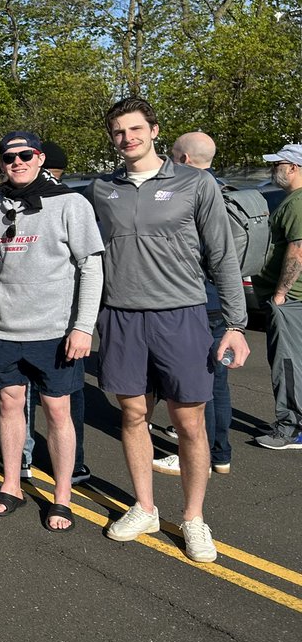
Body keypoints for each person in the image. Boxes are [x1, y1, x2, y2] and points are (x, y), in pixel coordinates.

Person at [88, 97, 249, 563]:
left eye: (136, 129)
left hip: (182, 315)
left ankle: (194, 517)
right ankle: (145, 507)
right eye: (119, 131)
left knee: (189, 422)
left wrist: (236, 324)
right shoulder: (101, 189)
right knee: (133, 414)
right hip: (120, 316)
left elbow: (222, 255)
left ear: (155, 130)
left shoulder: (194, 182)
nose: (127, 138)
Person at [0, 132, 103, 531]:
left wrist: (83, 327)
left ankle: (62, 497)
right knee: (9, 405)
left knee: (57, 411)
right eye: (8, 156)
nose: (16, 162)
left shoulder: (71, 203)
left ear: (39, 157)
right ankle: (12, 484)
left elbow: (91, 267)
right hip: (3, 327)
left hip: (54, 330)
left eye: (25, 155)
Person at [152, 132, 235, 474]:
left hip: (194, 298)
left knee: (198, 383)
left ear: (184, 160)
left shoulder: (192, 190)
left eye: (172, 155)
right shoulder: (225, 188)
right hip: (218, 298)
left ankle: (204, 452)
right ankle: (221, 452)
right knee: (217, 380)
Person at [251, 143, 302, 450]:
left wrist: (281, 293)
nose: (273, 170)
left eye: (277, 164)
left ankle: (290, 429)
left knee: (287, 364)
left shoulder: (297, 203)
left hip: (291, 299)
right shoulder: (292, 201)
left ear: (293, 167)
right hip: (292, 298)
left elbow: (298, 250)